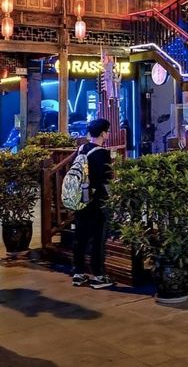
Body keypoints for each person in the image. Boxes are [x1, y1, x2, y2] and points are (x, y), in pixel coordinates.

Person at [72, 118, 115, 289]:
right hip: (96, 201)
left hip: (80, 200)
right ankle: (98, 275)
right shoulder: (102, 153)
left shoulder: (82, 148)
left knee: (80, 237)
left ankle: (78, 273)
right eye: (108, 131)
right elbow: (106, 179)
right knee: (98, 238)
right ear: (103, 133)